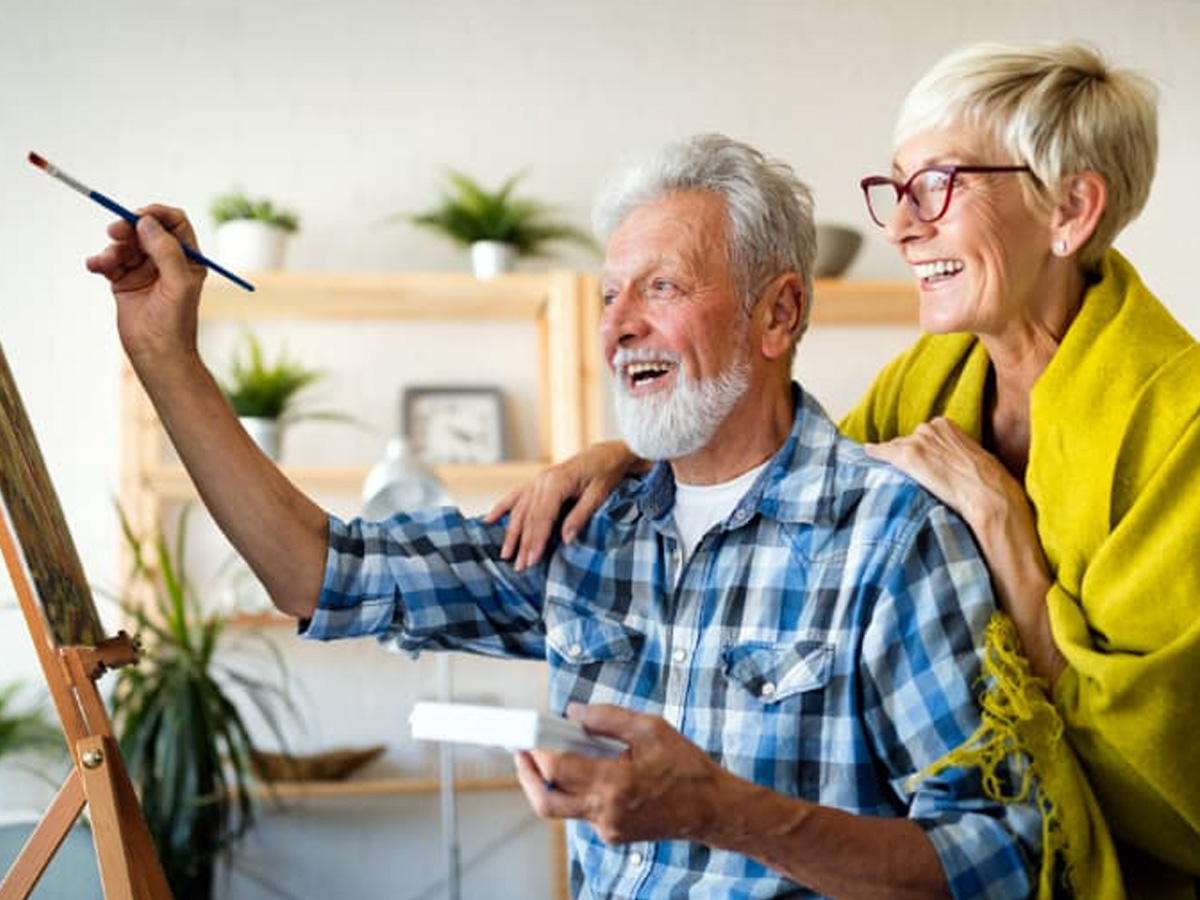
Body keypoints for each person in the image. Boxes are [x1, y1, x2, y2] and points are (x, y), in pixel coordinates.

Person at [88, 134, 1042, 899]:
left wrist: (724, 811)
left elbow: (1000, 861)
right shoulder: (588, 528)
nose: (618, 324)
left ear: (777, 315)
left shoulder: (892, 539)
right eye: (607, 294)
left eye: (662, 286)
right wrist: (165, 353)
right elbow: (317, 571)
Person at [488, 42, 1200, 899]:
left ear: (1072, 210)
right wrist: (633, 449)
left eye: (938, 185)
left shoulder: (1179, 423)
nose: (900, 225)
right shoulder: (930, 378)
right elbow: (793, 463)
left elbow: (1166, 774)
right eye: (896, 190)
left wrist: (1005, 531)